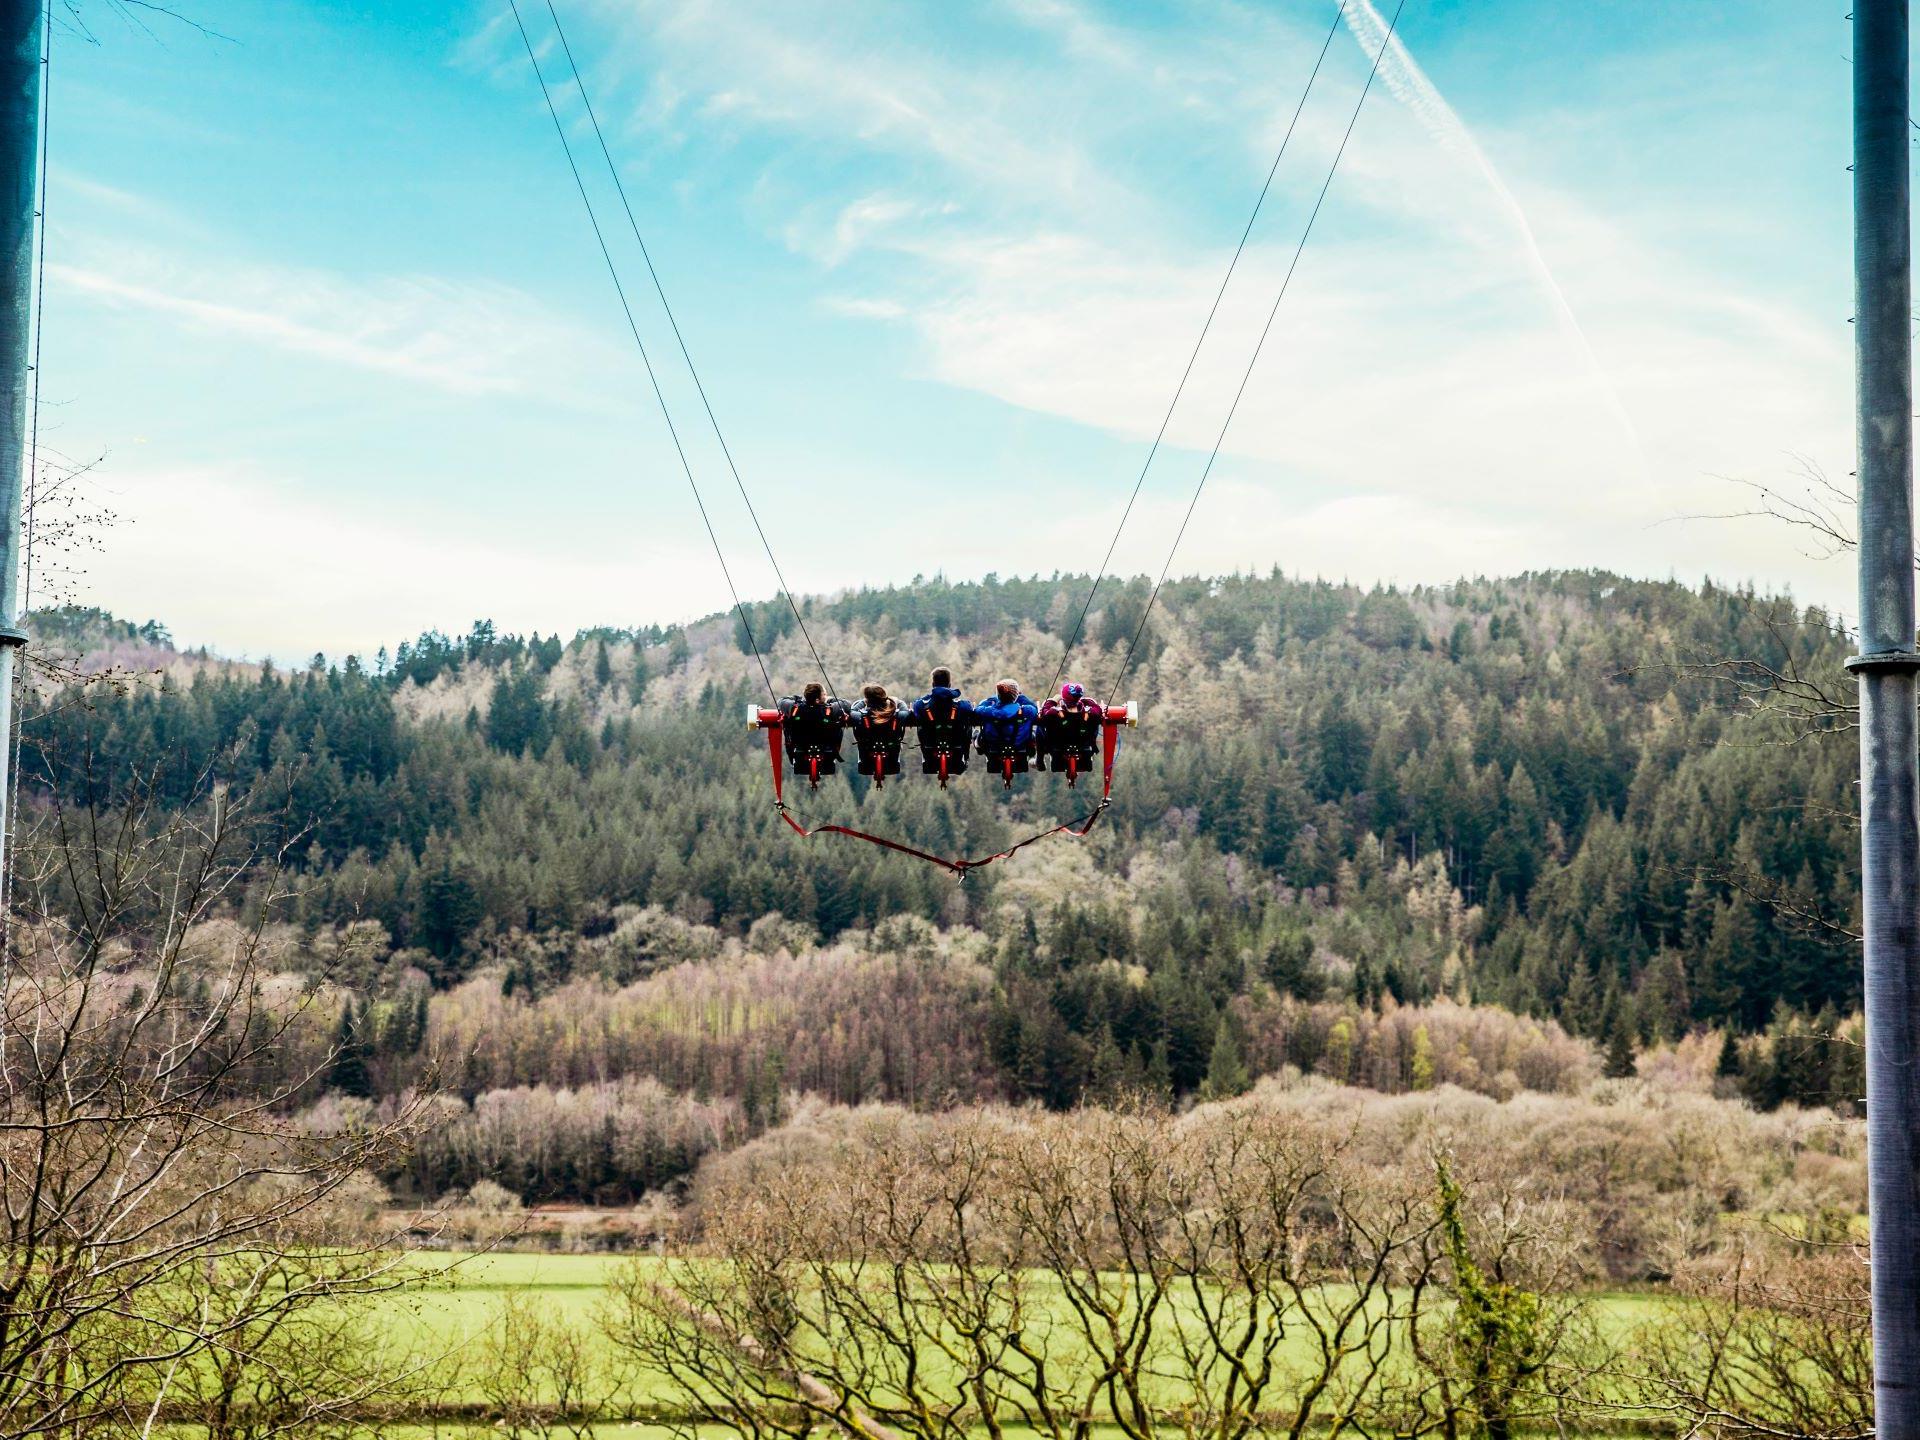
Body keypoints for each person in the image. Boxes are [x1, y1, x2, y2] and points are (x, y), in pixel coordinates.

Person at [778, 681, 850, 780]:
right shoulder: (829, 710)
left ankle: (792, 758)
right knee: (838, 725)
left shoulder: (795, 709)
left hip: (799, 744)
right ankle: (835, 753)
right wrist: (830, 700)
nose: (826, 696)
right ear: (817, 700)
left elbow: (781, 701)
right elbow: (846, 704)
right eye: (824, 695)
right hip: (826, 744)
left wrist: (798, 699)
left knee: (787, 726)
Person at [911, 666, 974, 777]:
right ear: (949, 685)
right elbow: (970, 708)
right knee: (968, 724)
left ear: (933, 685)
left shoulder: (922, 705)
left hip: (930, 744)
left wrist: (929, 696)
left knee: (920, 726)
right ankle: (965, 756)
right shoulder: (962, 705)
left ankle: (925, 756)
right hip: (956, 744)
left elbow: (916, 706)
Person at [1038, 681, 1105, 774]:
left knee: (1041, 726)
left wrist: (1053, 700)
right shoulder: (1090, 713)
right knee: (1095, 722)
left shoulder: (1054, 713)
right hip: (1083, 744)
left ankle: (1039, 758)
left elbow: (1044, 711)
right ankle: (1092, 745)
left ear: (1064, 698)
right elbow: (1098, 708)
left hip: (1059, 746)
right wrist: (1085, 700)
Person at [974, 678, 1038, 769]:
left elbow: (978, 710)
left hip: (994, 744)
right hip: (1019, 744)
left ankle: (979, 748)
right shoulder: (1027, 710)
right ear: (1016, 695)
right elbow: (1035, 709)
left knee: (976, 734)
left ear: (998, 695)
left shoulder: (988, 711)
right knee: (1033, 733)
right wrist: (1022, 697)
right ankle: (1032, 756)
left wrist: (991, 699)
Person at [849, 683, 909, 780]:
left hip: (867, 748)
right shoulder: (895, 715)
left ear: (867, 700)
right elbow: (906, 713)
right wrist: (898, 702)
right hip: (891, 748)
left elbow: (851, 712)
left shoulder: (861, 716)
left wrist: (862, 702)